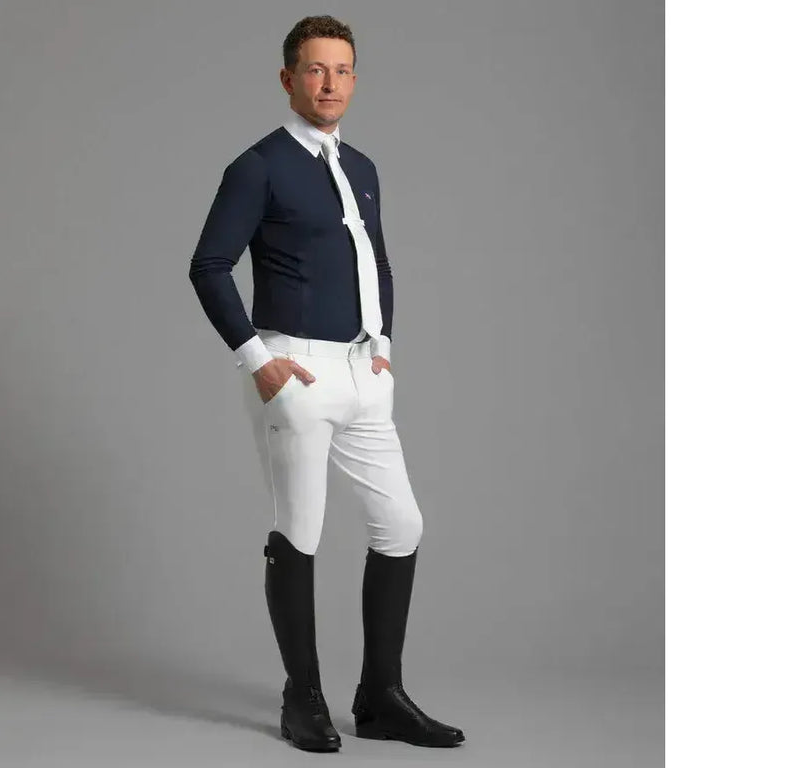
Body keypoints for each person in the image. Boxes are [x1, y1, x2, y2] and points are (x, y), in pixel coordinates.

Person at [187, 15, 465, 752]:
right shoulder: (258, 166)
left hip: (362, 372)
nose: (330, 83)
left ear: (354, 79)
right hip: (296, 369)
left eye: (342, 70)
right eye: (315, 69)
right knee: (300, 530)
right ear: (289, 79)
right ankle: (301, 697)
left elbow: (378, 261)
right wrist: (258, 358)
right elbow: (208, 266)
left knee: (401, 525)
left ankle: (380, 698)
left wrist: (384, 344)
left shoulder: (362, 167)